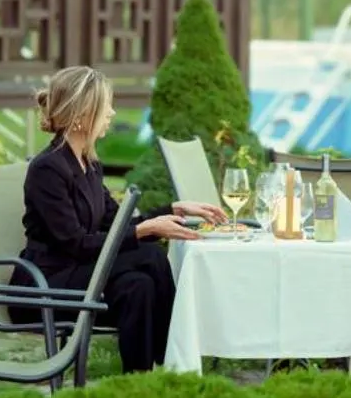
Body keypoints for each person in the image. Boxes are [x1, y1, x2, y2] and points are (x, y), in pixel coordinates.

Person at [20, 65, 222, 372]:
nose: (112, 113)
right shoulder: (47, 169)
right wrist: (144, 231)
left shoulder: (88, 164)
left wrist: (174, 209)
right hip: (48, 281)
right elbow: (74, 243)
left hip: (81, 272)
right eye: (106, 106)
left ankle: (137, 382)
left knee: (137, 286)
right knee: (151, 256)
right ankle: (175, 361)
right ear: (82, 114)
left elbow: (118, 223)